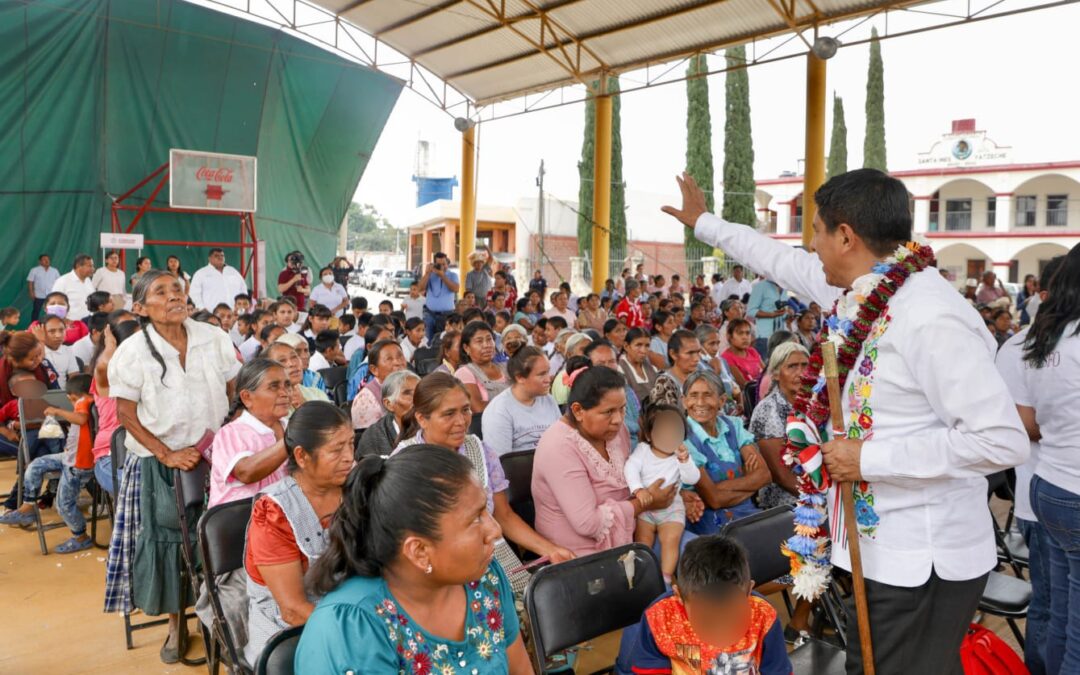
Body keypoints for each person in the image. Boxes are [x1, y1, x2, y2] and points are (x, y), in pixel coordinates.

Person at [664, 168, 1028, 673]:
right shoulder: (861, 291)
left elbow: (1001, 440)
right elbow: (776, 258)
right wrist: (703, 221)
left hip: (921, 563)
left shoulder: (929, 315)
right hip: (876, 553)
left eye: (816, 231)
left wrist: (868, 458)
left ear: (846, 236)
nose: (810, 246)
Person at [103, 270, 241, 664]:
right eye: (160, 292)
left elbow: (232, 388)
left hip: (212, 459)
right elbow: (126, 415)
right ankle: (176, 625)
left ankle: (213, 618)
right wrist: (167, 453)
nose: (173, 296)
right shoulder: (132, 351)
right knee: (169, 544)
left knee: (212, 539)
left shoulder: (213, 337)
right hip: (161, 464)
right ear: (141, 308)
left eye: (177, 289)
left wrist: (220, 435)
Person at [295, 446, 533, 673]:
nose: (495, 531)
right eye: (475, 519)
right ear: (418, 551)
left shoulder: (484, 579)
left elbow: (520, 669)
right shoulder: (353, 629)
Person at [244, 401, 354, 665]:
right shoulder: (274, 513)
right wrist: (358, 633)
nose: (349, 456)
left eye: (351, 443)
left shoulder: (355, 490)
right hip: (292, 628)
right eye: (337, 449)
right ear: (302, 456)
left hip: (347, 610)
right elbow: (293, 609)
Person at [994, 254, 1063, 674]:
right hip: (1038, 496)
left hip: (1061, 485)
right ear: (1044, 295)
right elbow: (1021, 426)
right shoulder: (1019, 347)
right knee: (1048, 604)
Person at [533, 364, 679, 557]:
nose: (618, 419)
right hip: (576, 556)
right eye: (608, 412)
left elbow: (635, 477)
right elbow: (588, 524)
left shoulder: (617, 432)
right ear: (578, 411)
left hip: (630, 537)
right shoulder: (559, 446)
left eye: (622, 409)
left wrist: (671, 493)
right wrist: (646, 503)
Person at [1017, 244, 1080, 674]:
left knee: (1061, 612)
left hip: (1050, 485)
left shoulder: (1044, 337)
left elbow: (1030, 418)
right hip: (1074, 488)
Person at [626, 535, 791, 675]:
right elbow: (649, 669)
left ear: (748, 591)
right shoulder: (659, 617)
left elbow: (777, 671)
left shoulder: (764, 617)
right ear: (680, 597)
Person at [680, 370, 768, 534]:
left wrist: (720, 489)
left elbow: (764, 476)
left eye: (708, 395)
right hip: (710, 523)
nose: (700, 402)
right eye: (693, 395)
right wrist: (751, 483)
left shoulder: (734, 424)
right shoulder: (683, 437)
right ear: (684, 401)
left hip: (748, 514)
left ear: (721, 400)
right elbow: (713, 500)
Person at [625, 404, 700, 581]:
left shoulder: (679, 457)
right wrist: (638, 489)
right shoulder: (643, 451)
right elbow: (630, 467)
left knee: (670, 540)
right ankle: (642, 576)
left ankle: (666, 577)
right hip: (646, 508)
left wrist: (685, 461)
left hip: (672, 508)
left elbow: (692, 479)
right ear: (650, 435)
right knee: (643, 540)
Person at [208, 358, 291, 508]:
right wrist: (292, 439)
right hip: (242, 521)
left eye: (287, 385)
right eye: (273, 387)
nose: (285, 393)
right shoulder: (231, 433)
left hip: (283, 515)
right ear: (247, 397)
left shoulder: (289, 425)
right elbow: (245, 472)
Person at [89, 314, 140, 495]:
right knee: (140, 491)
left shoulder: (149, 373)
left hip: (142, 452)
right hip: (110, 457)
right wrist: (110, 345)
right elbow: (103, 367)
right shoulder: (106, 378)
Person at [482, 346, 560, 457]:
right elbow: (500, 464)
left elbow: (560, 441)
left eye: (548, 372)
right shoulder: (499, 411)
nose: (548, 379)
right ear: (520, 377)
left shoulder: (548, 400)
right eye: (541, 374)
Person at [356, 370, 419, 459]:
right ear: (389, 404)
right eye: (408, 393)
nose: (417, 398)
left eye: (419, 392)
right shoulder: (373, 438)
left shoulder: (432, 426)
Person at [351, 340, 407, 431]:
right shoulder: (365, 399)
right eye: (389, 359)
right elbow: (371, 440)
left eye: (400, 357)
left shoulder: (412, 385)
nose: (397, 362)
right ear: (374, 370)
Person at [455, 321, 508, 415]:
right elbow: (477, 408)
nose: (486, 345)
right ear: (466, 348)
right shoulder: (464, 373)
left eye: (489, 339)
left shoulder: (507, 367)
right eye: (479, 341)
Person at [649, 329, 703, 409]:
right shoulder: (664, 383)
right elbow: (667, 418)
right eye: (690, 353)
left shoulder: (701, 377)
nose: (696, 358)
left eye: (698, 352)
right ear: (673, 354)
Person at [746, 273, 790, 359]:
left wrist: (787, 314)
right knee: (766, 367)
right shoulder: (761, 286)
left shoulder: (784, 288)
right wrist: (771, 315)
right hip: (765, 336)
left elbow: (783, 311)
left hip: (780, 335)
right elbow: (751, 311)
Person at [419, 252, 460, 342]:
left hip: (447, 315)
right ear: (434, 264)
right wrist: (427, 273)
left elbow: (455, 289)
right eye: (439, 264)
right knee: (427, 340)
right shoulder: (430, 275)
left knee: (444, 341)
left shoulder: (453, 275)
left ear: (447, 263)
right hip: (430, 314)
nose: (442, 266)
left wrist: (442, 276)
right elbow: (420, 288)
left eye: (444, 264)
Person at [619, 327, 660, 404]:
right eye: (638, 345)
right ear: (626, 346)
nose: (643, 351)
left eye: (647, 346)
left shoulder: (653, 369)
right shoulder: (619, 369)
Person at [721, 318, 763, 389]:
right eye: (740, 333)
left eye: (747, 333)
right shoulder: (726, 357)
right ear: (730, 336)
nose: (745, 337)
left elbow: (767, 373)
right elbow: (744, 385)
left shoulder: (752, 351)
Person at [52, 254, 96, 322]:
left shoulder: (88, 281)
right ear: (78, 266)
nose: (93, 269)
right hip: (71, 325)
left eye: (92, 266)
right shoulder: (62, 281)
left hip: (88, 323)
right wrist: (64, 321)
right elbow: (54, 304)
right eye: (89, 266)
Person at [27, 253, 61, 323]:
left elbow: (59, 282)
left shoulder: (54, 271)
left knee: (52, 311)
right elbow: (30, 282)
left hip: (51, 295)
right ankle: (33, 325)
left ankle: (51, 324)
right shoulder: (34, 270)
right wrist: (31, 292)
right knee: (36, 311)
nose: (46, 261)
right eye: (44, 260)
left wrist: (58, 293)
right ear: (40, 262)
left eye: (48, 260)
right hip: (39, 295)